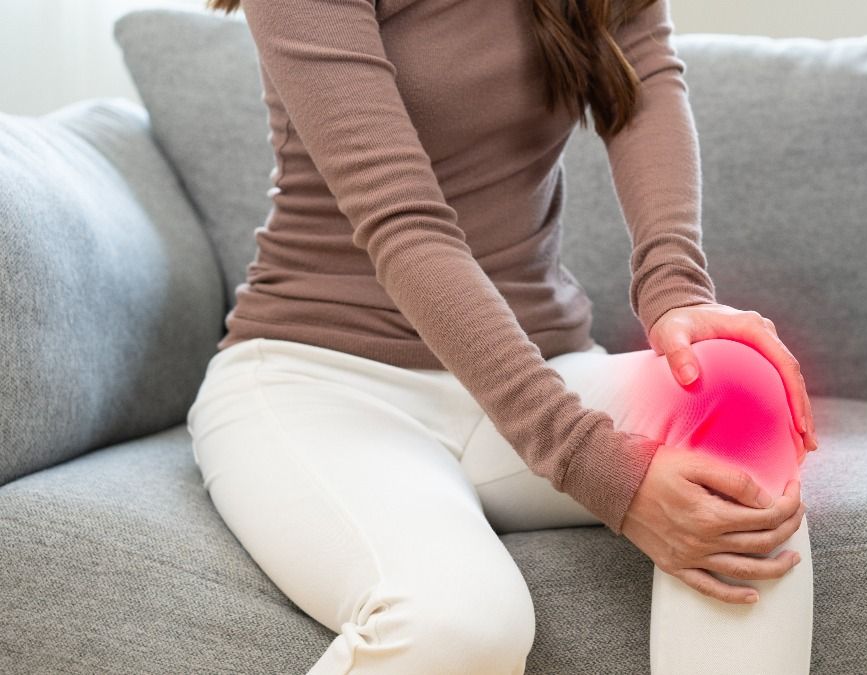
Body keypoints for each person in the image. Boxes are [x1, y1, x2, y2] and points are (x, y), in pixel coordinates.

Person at [189, 0, 819, 672]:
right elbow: (404, 221)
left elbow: (646, 82)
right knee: (463, 626)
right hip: (322, 383)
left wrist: (676, 287)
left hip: (540, 363)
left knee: (741, 392)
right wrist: (603, 470)